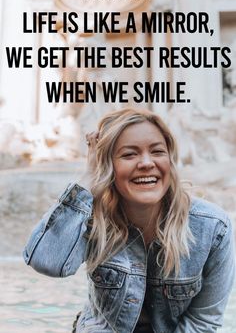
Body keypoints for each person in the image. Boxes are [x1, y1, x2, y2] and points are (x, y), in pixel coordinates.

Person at [23, 108, 235, 333]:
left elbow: (203, 322)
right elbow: (47, 262)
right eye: (129, 154)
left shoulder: (213, 227)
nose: (146, 163)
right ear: (107, 166)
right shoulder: (93, 218)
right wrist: (88, 180)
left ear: (170, 161)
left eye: (157, 151)